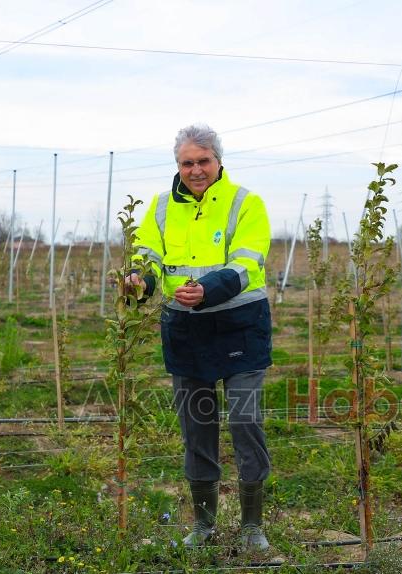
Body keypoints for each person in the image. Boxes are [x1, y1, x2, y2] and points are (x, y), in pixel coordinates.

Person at [130, 124, 272, 550]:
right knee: (197, 429)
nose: (195, 170)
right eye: (187, 163)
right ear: (178, 165)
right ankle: (204, 526)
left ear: (218, 161)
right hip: (186, 331)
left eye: (203, 161)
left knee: (245, 422)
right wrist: (140, 279)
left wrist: (209, 290)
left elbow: (248, 261)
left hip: (239, 327)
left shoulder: (245, 203)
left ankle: (252, 527)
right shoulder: (158, 208)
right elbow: (148, 254)